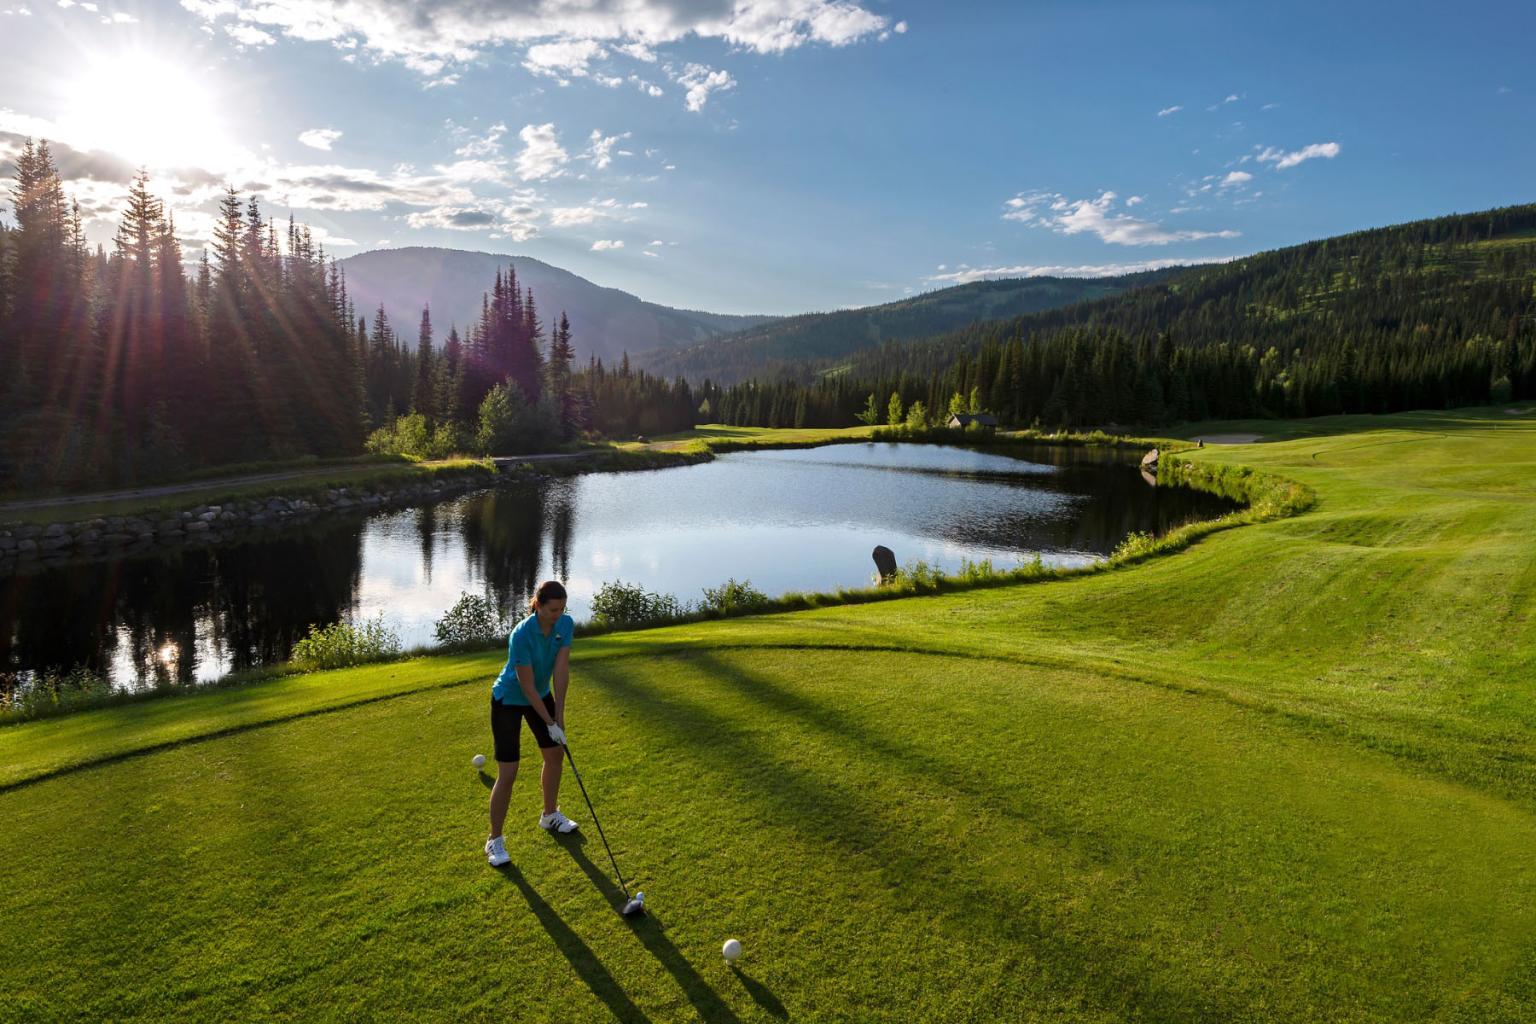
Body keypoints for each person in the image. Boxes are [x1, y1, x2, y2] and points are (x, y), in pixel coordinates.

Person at [485, 579, 579, 867]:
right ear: (537, 605)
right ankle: (494, 840)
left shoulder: (565, 625)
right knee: (509, 772)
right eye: (552, 609)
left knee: (555, 754)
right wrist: (548, 720)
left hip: (540, 694)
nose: (558, 615)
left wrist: (559, 717)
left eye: (562, 609)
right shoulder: (521, 635)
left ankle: (550, 815)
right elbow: (525, 686)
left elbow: (560, 671)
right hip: (509, 700)